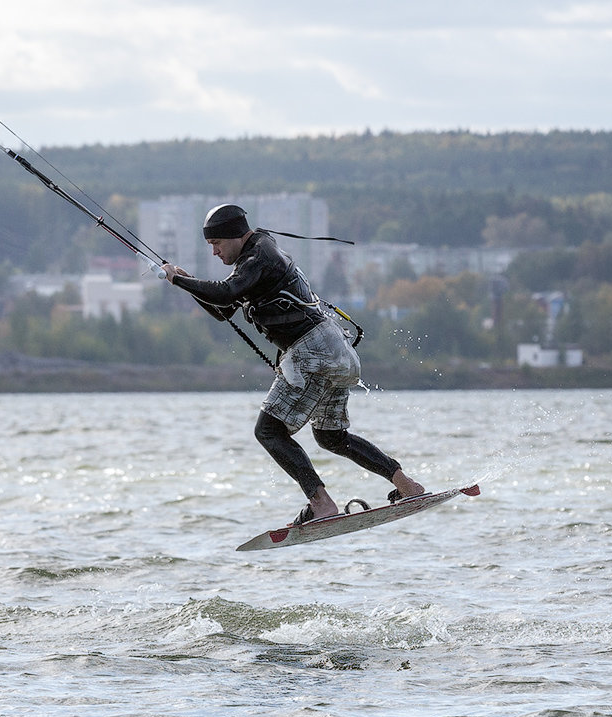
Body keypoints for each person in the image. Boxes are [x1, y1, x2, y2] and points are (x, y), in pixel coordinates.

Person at [160, 203, 425, 524]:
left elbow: (227, 293)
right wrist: (189, 283)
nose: (214, 252)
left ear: (234, 236)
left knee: (268, 431)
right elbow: (223, 309)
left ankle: (321, 503)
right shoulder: (255, 259)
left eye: (216, 244)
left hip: (313, 353)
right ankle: (406, 485)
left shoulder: (260, 257)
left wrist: (178, 281)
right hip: (336, 351)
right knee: (331, 437)